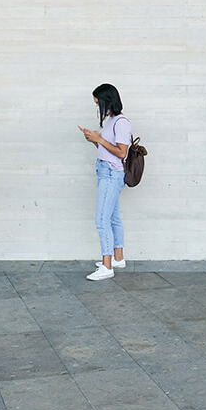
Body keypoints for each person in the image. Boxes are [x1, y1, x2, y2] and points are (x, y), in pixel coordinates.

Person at [78, 83, 130, 281]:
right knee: (113, 217)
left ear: (108, 101)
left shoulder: (121, 122)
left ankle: (107, 266)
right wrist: (94, 139)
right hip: (105, 171)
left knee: (101, 220)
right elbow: (109, 150)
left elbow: (122, 153)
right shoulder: (111, 121)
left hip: (111, 174)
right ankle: (118, 258)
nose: (97, 107)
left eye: (98, 102)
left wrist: (99, 140)